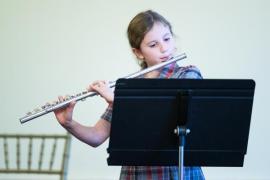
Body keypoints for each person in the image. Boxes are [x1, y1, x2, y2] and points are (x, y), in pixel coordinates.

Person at [54, 10, 205, 180]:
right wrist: (69, 123)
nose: (164, 48)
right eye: (153, 44)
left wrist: (118, 102)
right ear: (138, 52)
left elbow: (163, 123)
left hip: (176, 174)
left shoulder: (188, 75)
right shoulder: (129, 87)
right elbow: (96, 136)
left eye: (167, 38)